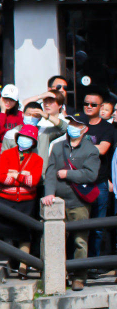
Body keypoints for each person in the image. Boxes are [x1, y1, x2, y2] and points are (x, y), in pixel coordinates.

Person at [42, 114, 101, 289]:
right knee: (54, 239)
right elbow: (50, 171)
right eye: (72, 123)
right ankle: (56, 274)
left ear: (85, 129)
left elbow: (91, 174)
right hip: (58, 200)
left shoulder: (91, 150)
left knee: (80, 240)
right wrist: (49, 193)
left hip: (79, 202)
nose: (73, 126)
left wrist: (68, 174)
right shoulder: (58, 146)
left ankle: (79, 277)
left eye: (77, 124)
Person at [0, 123, 43, 275]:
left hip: (26, 201)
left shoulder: (37, 159)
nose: (24, 140)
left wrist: (15, 175)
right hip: (6, 198)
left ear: (33, 142)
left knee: (24, 234)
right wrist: (23, 177)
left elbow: (33, 181)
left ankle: (23, 265)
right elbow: (1, 177)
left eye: (28, 138)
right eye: (22, 136)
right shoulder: (7, 154)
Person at [82, 92, 114, 256]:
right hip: (77, 182)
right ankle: (76, 266)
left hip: (99, 181)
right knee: (78, 226)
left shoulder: (107, 128)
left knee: (97, 227)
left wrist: (79, 147)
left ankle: (93, 263)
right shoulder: (77, 123)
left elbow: (102, 149)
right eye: (86, 103)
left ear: (101, 107)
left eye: (93, 104)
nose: (89, 106)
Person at [36, 90, 67, 159]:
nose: (47, 105)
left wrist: (47, 116)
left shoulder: (65, 121)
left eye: (51, 102)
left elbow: (64, 128)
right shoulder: (39, 121)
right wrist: (39, 97)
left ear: (60, 105)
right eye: (45, 101)